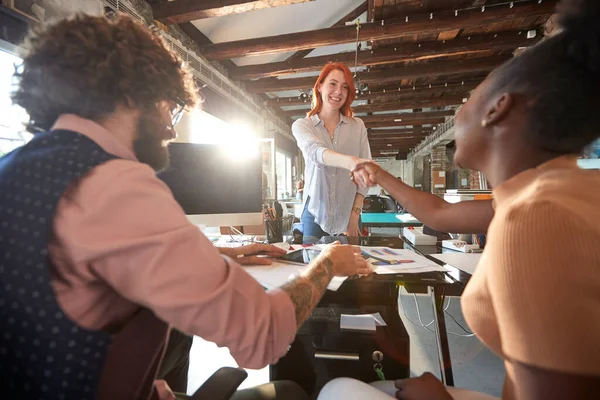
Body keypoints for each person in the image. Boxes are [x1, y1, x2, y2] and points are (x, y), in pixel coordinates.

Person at [0, 13, 372, 400]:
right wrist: (328, 263)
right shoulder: (115, 184)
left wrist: (222, 254)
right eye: (170, 106)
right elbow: (262, 334)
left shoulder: (16, 168)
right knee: (292, 392)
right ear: (132, 94)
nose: (171, 128)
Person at [326, 0, 600, 399]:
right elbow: (441, 213)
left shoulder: (536, 216)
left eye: (469, 97)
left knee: (338, 391)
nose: (458, 111)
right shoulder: (547, 191)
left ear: (498, 108)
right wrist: (382, 175)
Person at [292, 62, 372, 243]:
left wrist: (354, 215)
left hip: (349, 214)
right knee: (314, 269)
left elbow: (364, 178)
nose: (339, 92)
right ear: (319, 86)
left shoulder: (357, 126)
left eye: (345, 87)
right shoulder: (303, 126)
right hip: (314, 213)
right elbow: (315, 152)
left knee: (351, 269)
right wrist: (350, 162)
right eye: (333, 84)